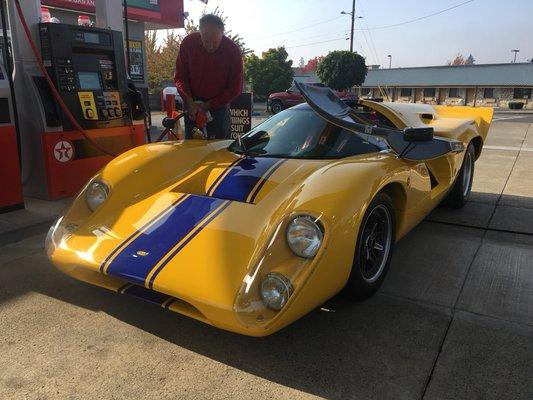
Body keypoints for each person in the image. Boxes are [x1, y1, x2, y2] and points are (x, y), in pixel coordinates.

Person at [174, 14, 243, 139]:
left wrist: (210, 105)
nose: (210, 45)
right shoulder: (188, 44)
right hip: (192, 105)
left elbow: (235, 88)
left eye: (215, 42)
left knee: (220, 147)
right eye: (206, 41)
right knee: (193, 146)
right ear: (200, 33)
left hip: (219, 106)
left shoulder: (233, 51)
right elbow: (180, 77)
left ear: (222, 34)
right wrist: (188, 100)